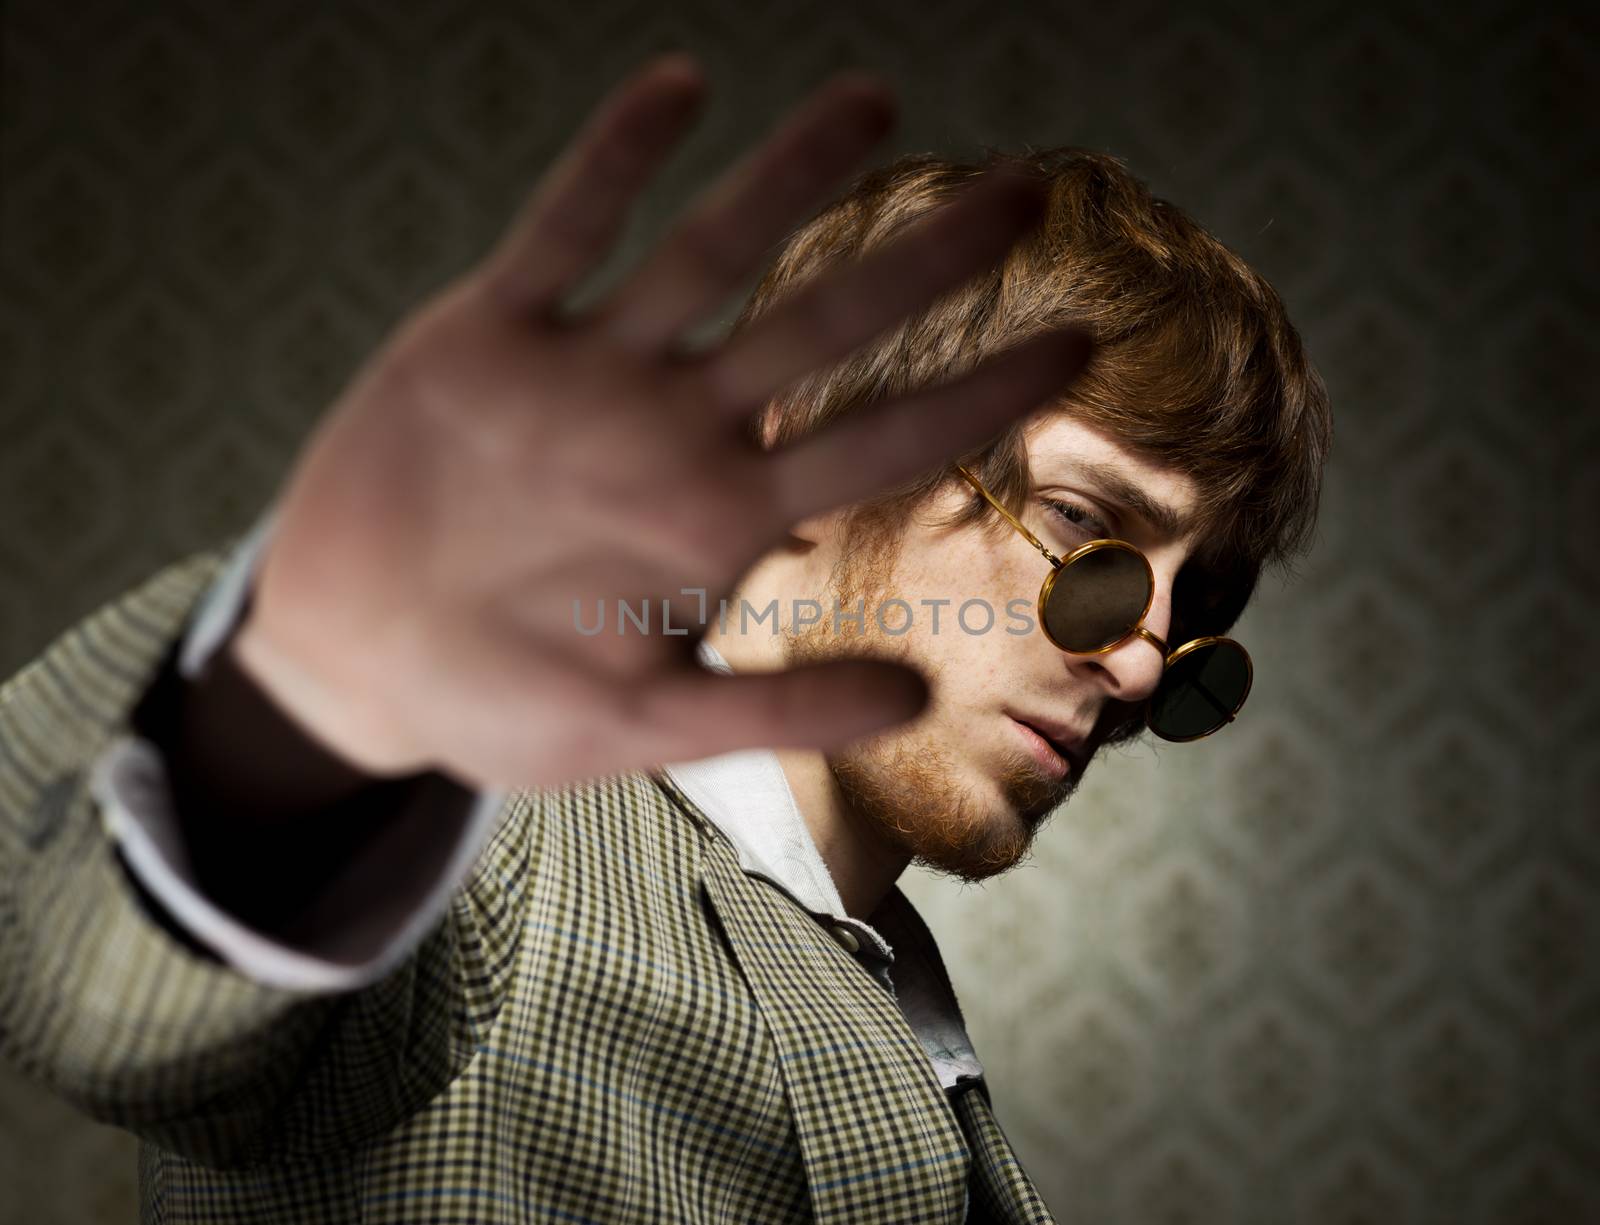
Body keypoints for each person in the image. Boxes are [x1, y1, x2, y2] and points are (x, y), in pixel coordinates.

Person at [0, 52, 1330, 1223]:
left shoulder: (897, 1003)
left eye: (1193, 611)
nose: (1146, 661)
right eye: (1092, 531)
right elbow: (121, 992)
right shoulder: (499, 836)